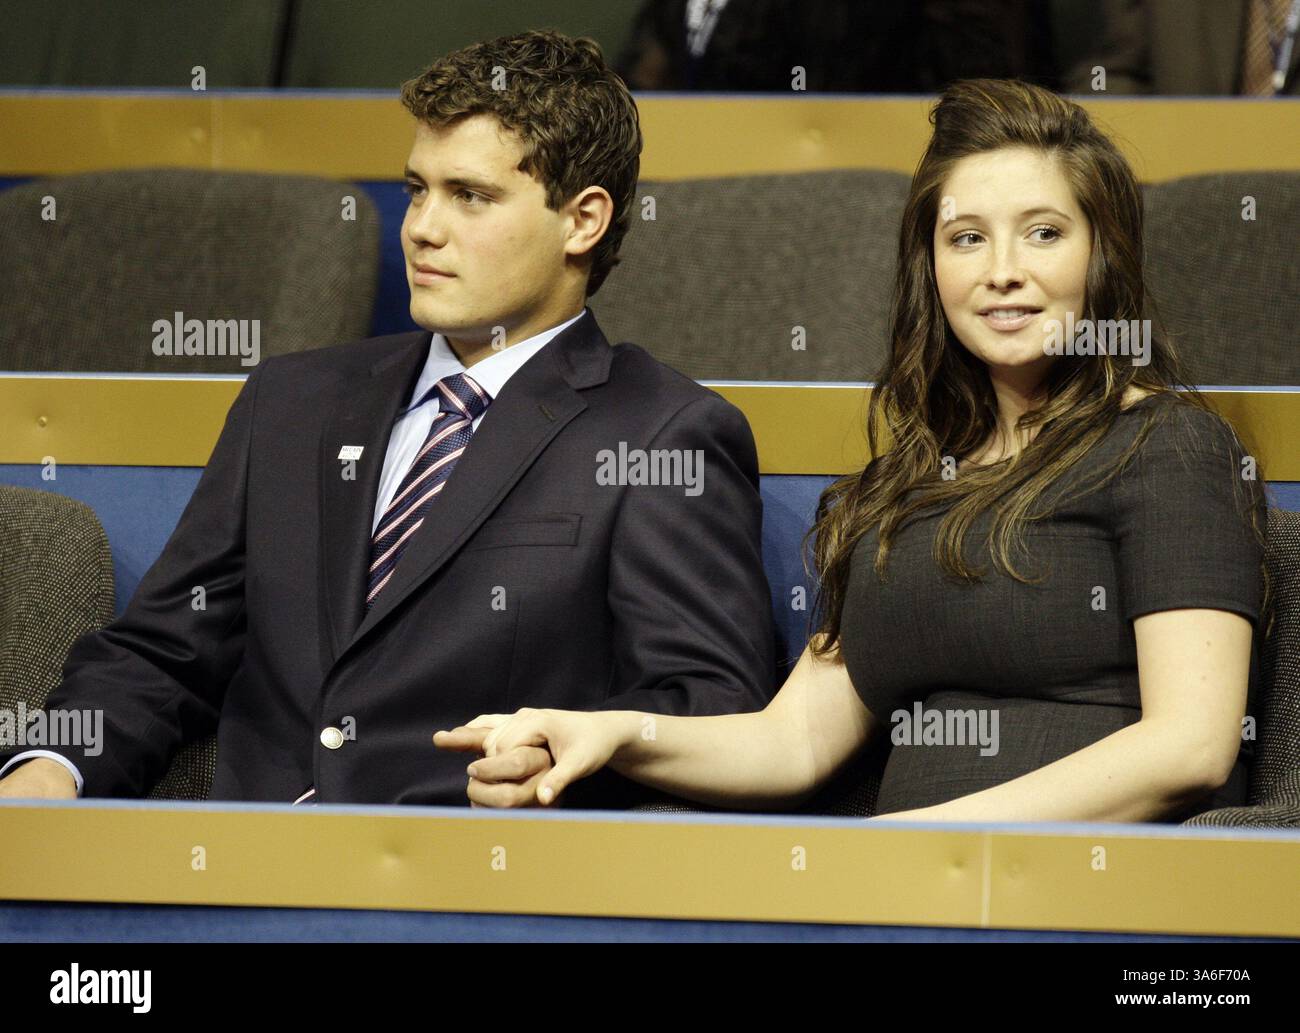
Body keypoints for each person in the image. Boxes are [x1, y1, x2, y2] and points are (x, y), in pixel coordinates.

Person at [438, 78, 1270, 823]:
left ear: (1103, 256)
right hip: (889, 902)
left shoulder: (1167, 445)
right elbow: (794, 742)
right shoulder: (906, 481)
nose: (1003, 271)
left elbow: (1189, 747)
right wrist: (608, 732)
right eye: (967, 238)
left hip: (1080, 898)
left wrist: (916, 847)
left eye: (1044, 233)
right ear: (930, 266)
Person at [0, 30, 774, 807]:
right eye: (415, 189)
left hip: (475, 885)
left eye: (469, 196)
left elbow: (713, 710)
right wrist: (49, 770)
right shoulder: (290, 403)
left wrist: (558, 761)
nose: (421, 228)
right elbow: (163, 653)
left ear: (583, 221)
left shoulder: (662, 433)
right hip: (246, 877)